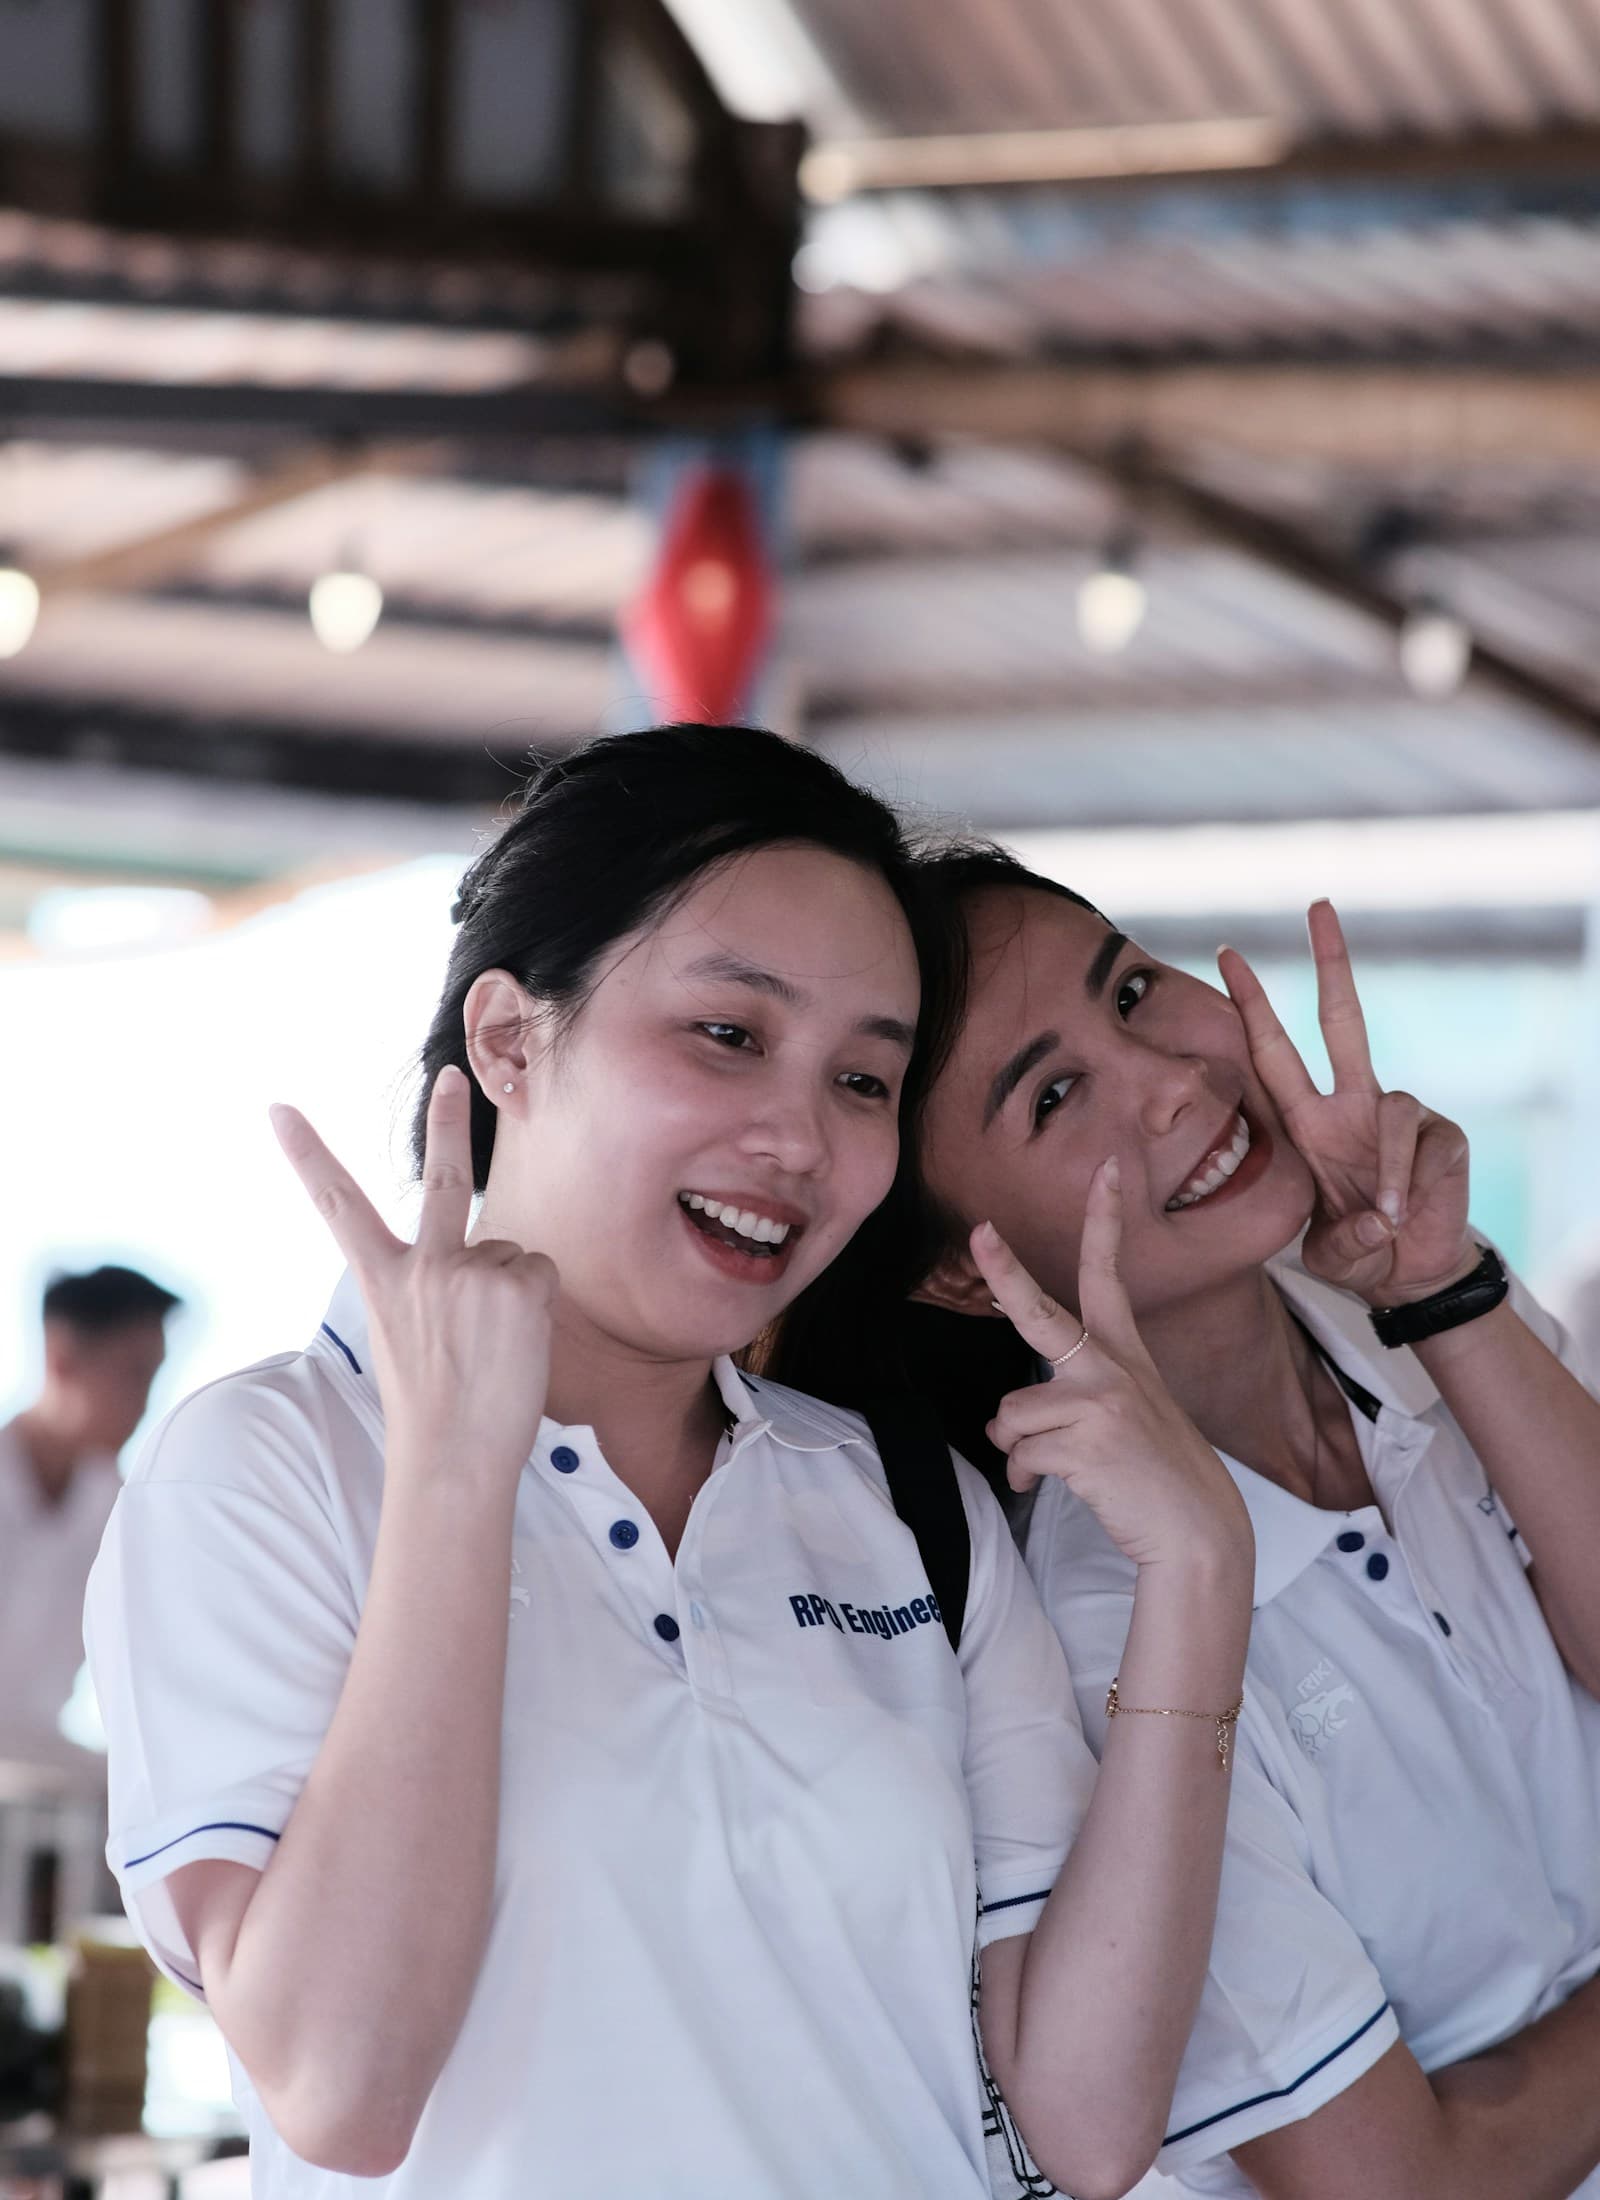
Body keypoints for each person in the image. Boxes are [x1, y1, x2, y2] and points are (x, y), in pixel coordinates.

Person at [83, 726, 1255, 2200]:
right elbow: (342, 2083)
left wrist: (1203, 1574)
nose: (799, 1136)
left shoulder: (899, 1506)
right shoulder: (266, 1471)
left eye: (865, 1082)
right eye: (729, 1035)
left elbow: (1083, 2122)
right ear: (508, 1040)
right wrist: (455, 1471)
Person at [775, 846, 1600, 2200]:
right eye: (1055, 1095)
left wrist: (1445, 1289)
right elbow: (1398, 2186)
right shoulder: (1099, 1632)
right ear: (954, 1272)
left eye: (1136, 988)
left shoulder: (1410, 1338)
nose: (1172, 1078)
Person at [0, 1265, 178, 1773]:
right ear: (62, 1359)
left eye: (154, 1377)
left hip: (38, 1780)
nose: (144, 1404)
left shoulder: (122, 1511)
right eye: (133, 1374)